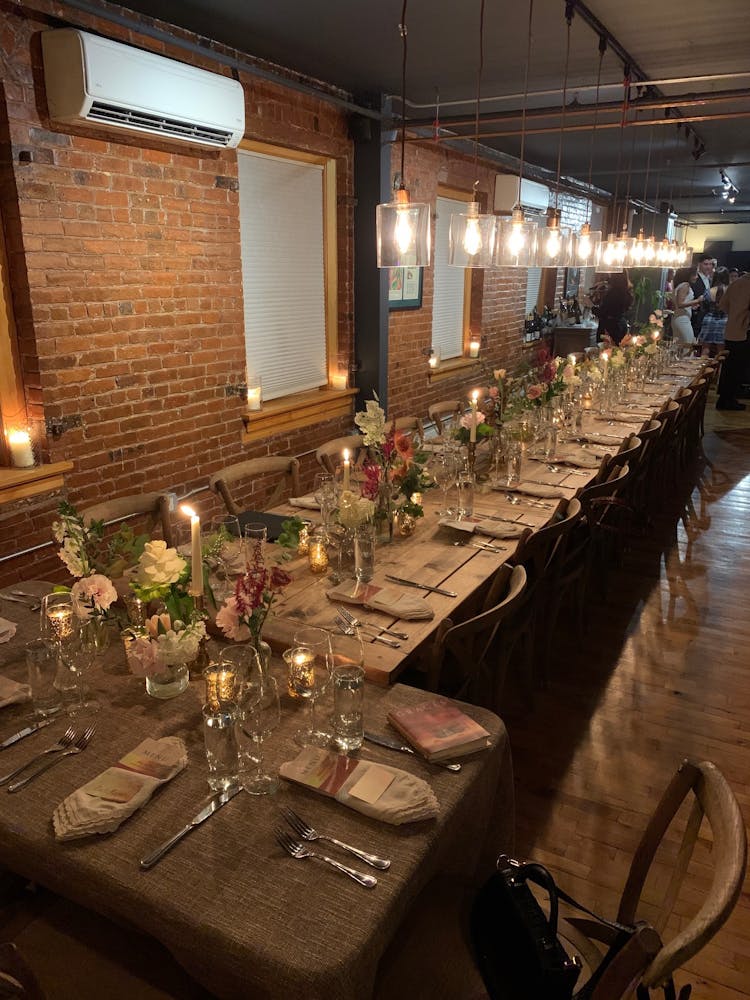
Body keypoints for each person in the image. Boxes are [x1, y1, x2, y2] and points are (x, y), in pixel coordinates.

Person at [716, 270, 750, 410]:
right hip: (744, 331)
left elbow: (722, 305)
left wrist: (735, 315)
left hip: (732, 330)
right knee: (738, 369)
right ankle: (729, 400)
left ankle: (724, 399)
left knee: (729, 367)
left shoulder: (736, 284)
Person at [698, 267, 729, 358]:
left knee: (705, 350)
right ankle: (719, 367)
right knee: (721, 352)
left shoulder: (709, 291)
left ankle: (703, 367)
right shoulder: (730, 291)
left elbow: (703, 308)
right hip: (724, 321)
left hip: (709, 320)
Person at [596, 270, 633, 345]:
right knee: (619, 349)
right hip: (621, 324)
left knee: (607, 349)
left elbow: (603, 313)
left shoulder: (613, 293)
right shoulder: (626, 292)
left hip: (610, 327)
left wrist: (591, 307)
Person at [671, 266, 703, 346]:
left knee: (679, 345)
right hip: (682, 319)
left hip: (679, 318)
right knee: (688, 344)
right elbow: (680, 304)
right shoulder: (685, 285)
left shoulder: (679, 285)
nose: (697, 277)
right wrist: (698, 300)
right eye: (695, 275)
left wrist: (691, 306)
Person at [690, 255, 715, 338]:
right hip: (695, 314)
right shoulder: (695, 278)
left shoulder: (710, 279)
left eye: (710, 264)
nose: (708, 267)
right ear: (699, 264)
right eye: (706, 264)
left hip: (705, 314)